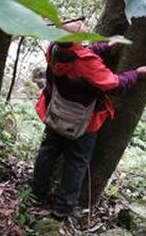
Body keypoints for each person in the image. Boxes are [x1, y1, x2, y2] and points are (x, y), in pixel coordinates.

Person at [31, 19, 146, 219]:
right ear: (75, 39)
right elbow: (114, 85)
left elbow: (81, 52)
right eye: (82, 33)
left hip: (56, 113)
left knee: (47, 151)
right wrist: (136, 74)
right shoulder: (86, 63)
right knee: (77, 162)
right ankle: (63, 209)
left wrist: (105, 48)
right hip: (83, 122)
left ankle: (36, 194)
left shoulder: (55, 48)